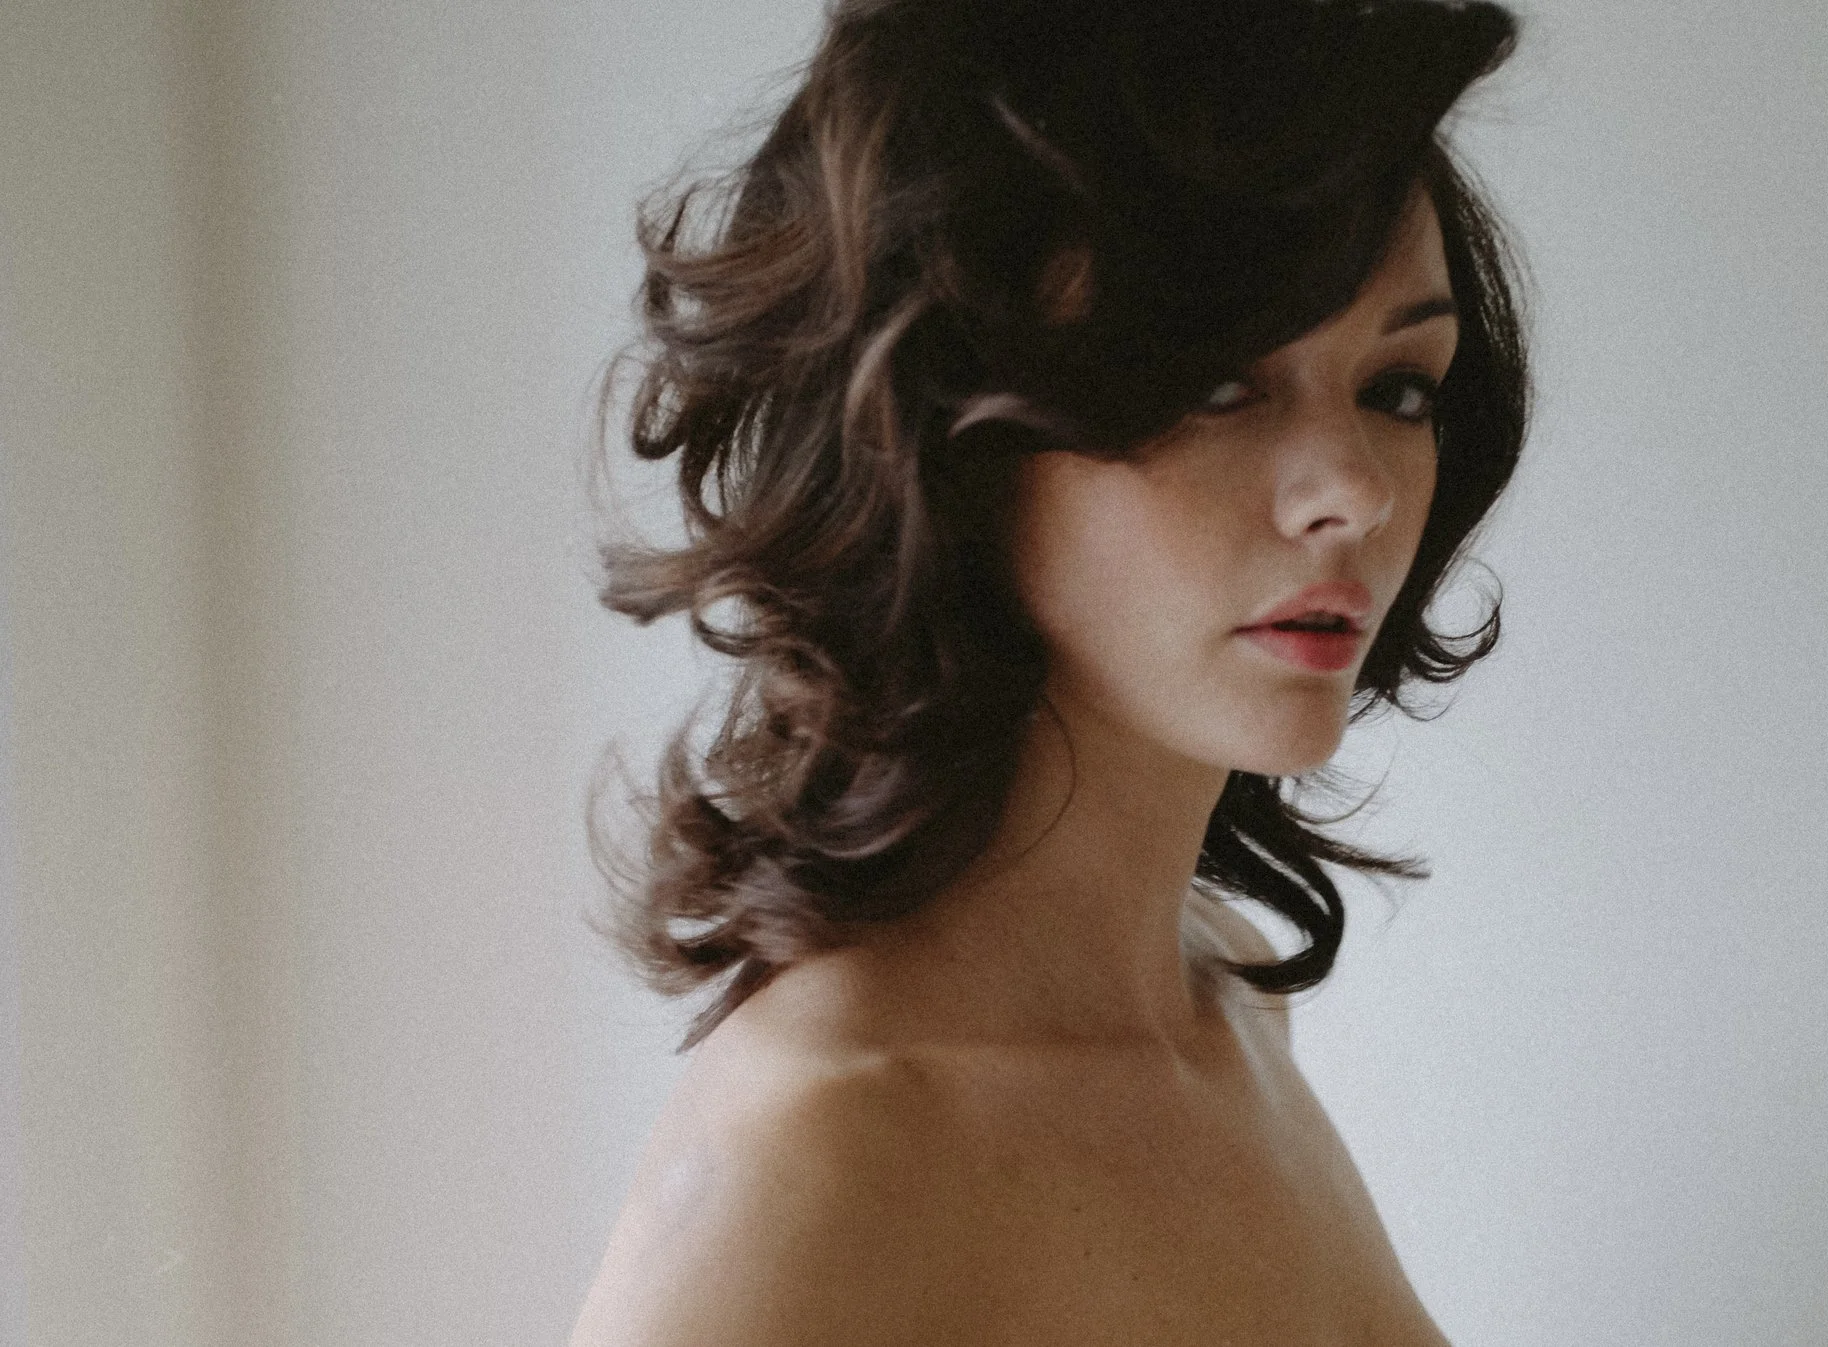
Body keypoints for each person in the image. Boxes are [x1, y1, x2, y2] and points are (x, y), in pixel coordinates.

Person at [568, 0, 1528, 1341]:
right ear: (944, 441)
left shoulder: (1228, 995)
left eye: (1399, 388)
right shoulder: (821, 1156)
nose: (1354, 491)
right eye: (1217, 384)